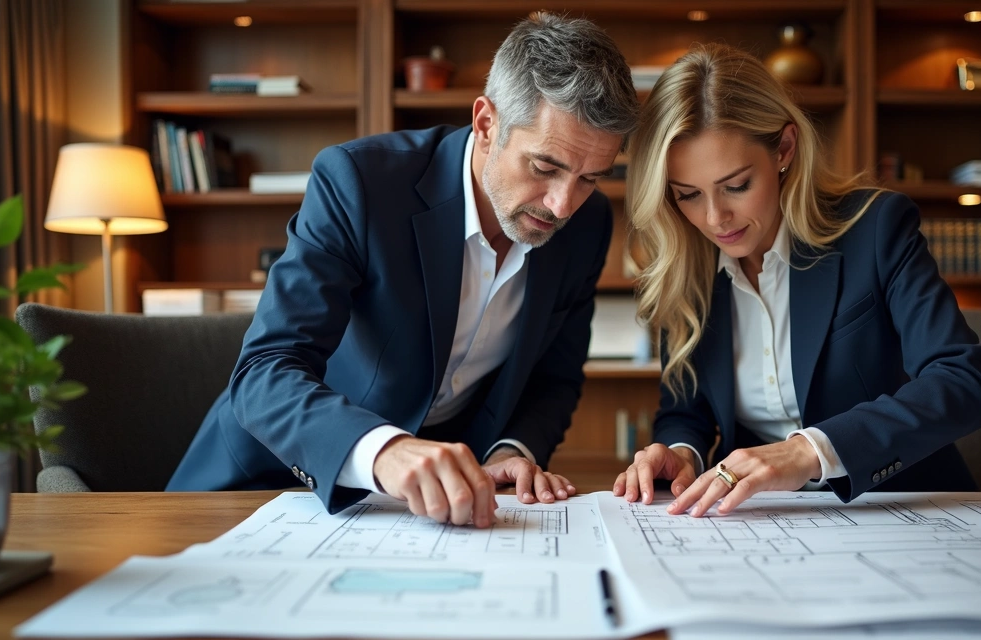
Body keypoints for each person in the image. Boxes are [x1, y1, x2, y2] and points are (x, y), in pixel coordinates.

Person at [169, 13, 639, 528]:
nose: (562, 205)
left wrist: (511, 450)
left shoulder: (588, 224)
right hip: (263, 485)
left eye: (591, 178)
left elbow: (554, 376)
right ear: (486, 124)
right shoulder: (359, 183)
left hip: (432, 509)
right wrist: (383, 451)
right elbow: (265, 371)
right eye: (545, 168)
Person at [613, 44, 981, 517]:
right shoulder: (684, 265)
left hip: (903, 508)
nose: (715, 218)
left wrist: (808, 451)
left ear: (785, 149)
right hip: (765, 523)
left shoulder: (876, 229)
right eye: (688, 195)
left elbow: (962, 382)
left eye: (736, 186)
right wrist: (679, 453)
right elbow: (685, 412)